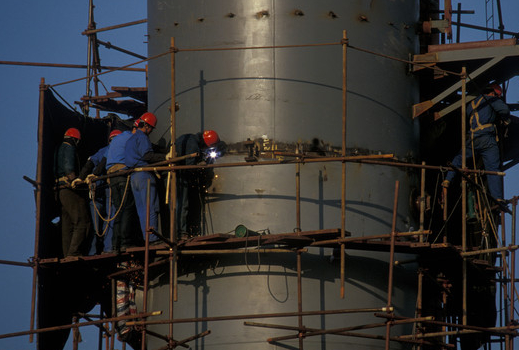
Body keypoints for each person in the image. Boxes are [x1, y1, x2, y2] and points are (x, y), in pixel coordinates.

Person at [442, 83, 510, 201]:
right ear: (493, 93)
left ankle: (447, 179)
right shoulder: (492, 99)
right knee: (493, 169)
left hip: (473, 137)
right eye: (498, 96)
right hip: (486, 139)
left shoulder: (472, 104)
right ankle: (497, 198)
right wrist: (504, 119)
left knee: (459, 158)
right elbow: (505, 109)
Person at [74, 129, 122, 254]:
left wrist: (81, 176)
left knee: (96, 224)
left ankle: (93, 251)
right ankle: (108, 248)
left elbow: (90, 162)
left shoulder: (102, 150)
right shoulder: (114, 149)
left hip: (96, 189)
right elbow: (103, 162)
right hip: (106, 187)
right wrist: (95, 174)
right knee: (110, 218)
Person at [124, 112, 166, 243]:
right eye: (151, 128)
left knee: (141, 209)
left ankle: (147, 238)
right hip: (144, 176)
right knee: (151, 207)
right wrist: (166, 157)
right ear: (147, 126)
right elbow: (148, 156)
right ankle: (153, 237)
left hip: (133, 177)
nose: (151, 131)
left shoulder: (131, 139)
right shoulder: (143, 137)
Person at [175, 130, 222, 237]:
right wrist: (199, 165)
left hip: (177, 175)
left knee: (180, 204)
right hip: (180, 176)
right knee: (182, 205)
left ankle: (179, 231)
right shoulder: (193, 145)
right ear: (205, 144)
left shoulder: (190, 137)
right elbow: (189, 167)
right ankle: (180, 233)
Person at [54, 127, 92, 258]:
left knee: (67, 224)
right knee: (82, 220)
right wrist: (76, 181)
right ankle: (74, 252)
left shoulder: (59, 148)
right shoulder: (69, 147)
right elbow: (68, 167)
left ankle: (67, 254)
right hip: (68, 189)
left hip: (60, 190)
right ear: (75, 140)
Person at [104, 123, 143, 252]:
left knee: (118, 210)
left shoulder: (118, 138)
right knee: (127, 208)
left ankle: (115, 244)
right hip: (122, 174)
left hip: (112, 176)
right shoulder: (132, 138)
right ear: (135, 129)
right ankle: (125, 242)